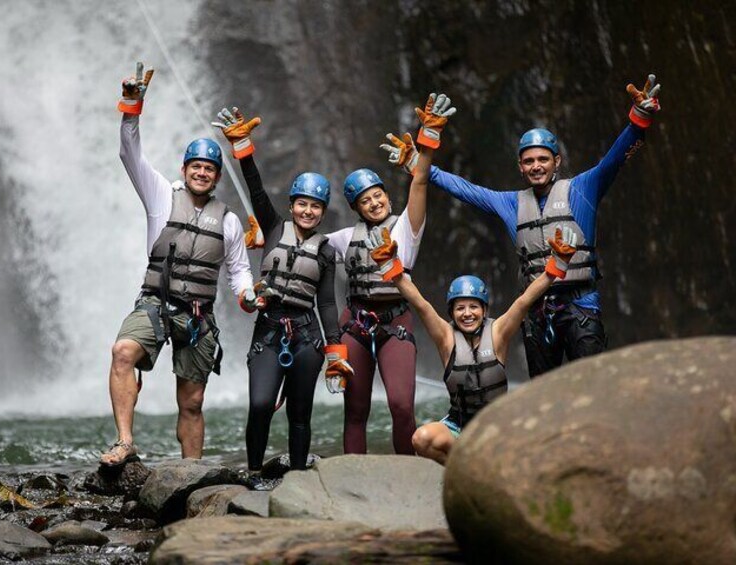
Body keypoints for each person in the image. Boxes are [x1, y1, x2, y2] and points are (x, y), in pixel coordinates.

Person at [381, 74, 661, 378]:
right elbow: (465, 189)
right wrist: (419, 166)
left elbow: (614, 160)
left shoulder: (583, 188)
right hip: (538, 313)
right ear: (520, 166)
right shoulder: (511, 203)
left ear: (557, 161)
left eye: (543, 159)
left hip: (582, 307)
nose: (536, 166)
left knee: (590, 383)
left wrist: (639, 119)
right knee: (543, 391)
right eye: (529, 161)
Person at [100, 63, 254, 466]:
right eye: (196, 167)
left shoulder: (230, 220)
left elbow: (238, 270)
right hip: (155, 302)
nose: (202, 173)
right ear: (185, 170)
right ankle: (124, 442)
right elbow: (128, 153)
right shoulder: (160, 195)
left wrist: (247, 294)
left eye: (209, 169)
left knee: (193, 400)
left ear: (217, 176)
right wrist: (132, 106)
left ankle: (191, 473)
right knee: (122, 352)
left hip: (198, 315)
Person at [211, 106, 354, 476]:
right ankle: (255, 472)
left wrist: (335, 351)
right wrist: (242, 147)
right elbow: (255, 188)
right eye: (302, 204)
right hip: (269, 332)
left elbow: (326, 303)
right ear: (292, 206)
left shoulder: (325, 250)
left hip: (307, 338)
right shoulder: (273, 227)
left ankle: (298, 479)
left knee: (300, 414)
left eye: (315, 206)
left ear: (323, 212)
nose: (308, 211)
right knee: (260, 404)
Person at [365, 224, 580, 464]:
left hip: (497, 427)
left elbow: (524, 301)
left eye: (473, 307)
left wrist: (556, 266)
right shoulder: (446, 337)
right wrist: (392, 269)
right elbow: (421, 304)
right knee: (421, 439)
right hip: (459, 427)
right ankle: (461, 468)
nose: (467, 314)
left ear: (484, 309)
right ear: (452, 312)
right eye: (460, 308)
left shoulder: (498, 332)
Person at [325, 93, 456, 455]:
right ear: (356, 208)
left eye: (378, 195)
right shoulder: (342, 238)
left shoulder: (406, 231)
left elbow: (419, 183)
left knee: (401, 406)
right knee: (355, 410)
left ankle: (407, 476)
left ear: (387, 196)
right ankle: (354, 476)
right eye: (365, 200)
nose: (374, 202)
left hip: (395, 322)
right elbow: (306, 245)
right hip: (355, 323)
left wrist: (427, 142)